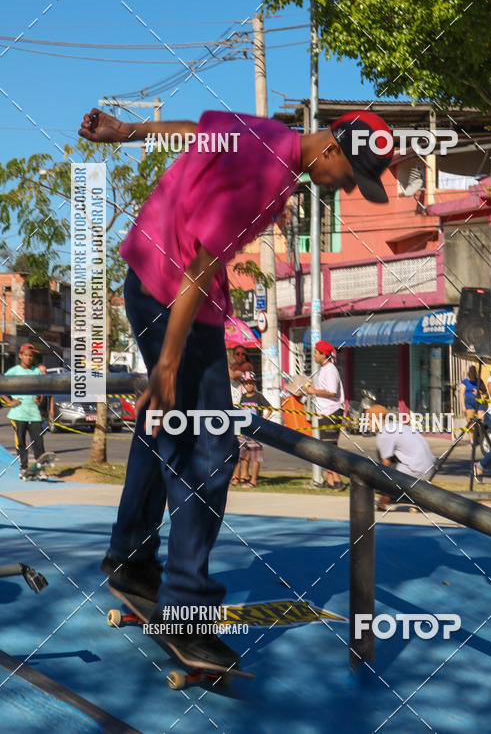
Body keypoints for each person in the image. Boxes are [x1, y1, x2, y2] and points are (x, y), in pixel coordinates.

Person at [79, 106, 393, 668]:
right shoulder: (265, 175)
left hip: (150, 279)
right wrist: (167, 364)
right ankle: (185, 613)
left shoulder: (266, 132)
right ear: (331, 149)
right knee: (211, 451)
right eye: (348, 177)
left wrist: (128, 132)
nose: (343, 189)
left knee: (164, 426)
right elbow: (199, 267)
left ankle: (131, 559)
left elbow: (195, 132)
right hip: (175, 297)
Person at [366, 405, 436, 511]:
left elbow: (385, 465)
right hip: (429, 469)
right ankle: (403, 495)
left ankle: (399, 498)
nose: (367, 424)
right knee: (386, 460)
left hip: (417, 471)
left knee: (376, 472)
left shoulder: (384, 434)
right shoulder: (397, 426)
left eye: (368, 420)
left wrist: (382, 495)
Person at [303, 340, 345, 489]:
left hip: (331, 412)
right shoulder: (325, 369)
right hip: (324, 413)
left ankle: (338, 480)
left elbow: (332, 392)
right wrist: (312, 388)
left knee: (329, 449)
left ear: (323, 354)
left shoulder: (330, 369)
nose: (314, 355)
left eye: (316, 352)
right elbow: (326, 390)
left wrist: (314, 391)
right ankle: (331, 480)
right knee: (325, 448)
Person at [5, 344, 45, 479]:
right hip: (18, 413)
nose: (28, 358)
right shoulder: (13, 371)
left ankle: (40, 469)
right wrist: (10, 401)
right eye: (26, 355)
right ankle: (23, 468)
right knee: (21, 442)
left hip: (33, 413)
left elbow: (43, 387)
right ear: (20, 356)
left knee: (38, 442)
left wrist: (40, 398)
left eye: (31, 356)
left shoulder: (36, 372)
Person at [232, 370, 272, 487]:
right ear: (243, 384)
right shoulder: (243, 397)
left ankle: (253, 481)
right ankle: (236, 478)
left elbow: (270, 408)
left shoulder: (258, 396)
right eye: (246, 383)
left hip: (255, 431)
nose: (248, 385)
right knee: (238, 455)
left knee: (255, 457)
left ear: (254, 384)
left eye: (251, 383)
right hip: (243, 431)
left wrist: (264, 420)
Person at [459, 365, 488, 444]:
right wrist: (463, 406)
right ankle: (472, 440)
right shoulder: (465, 381)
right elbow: (461, 394)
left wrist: (479, 392)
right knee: (470, 422)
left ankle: (482, 438)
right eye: (471, 371)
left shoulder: (479, 381)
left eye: (474, 371)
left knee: (481, 421)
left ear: (475, 372)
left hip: (479, 402)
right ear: (469, 372)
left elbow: (485, 391)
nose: (472, 373)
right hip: (469, 403)